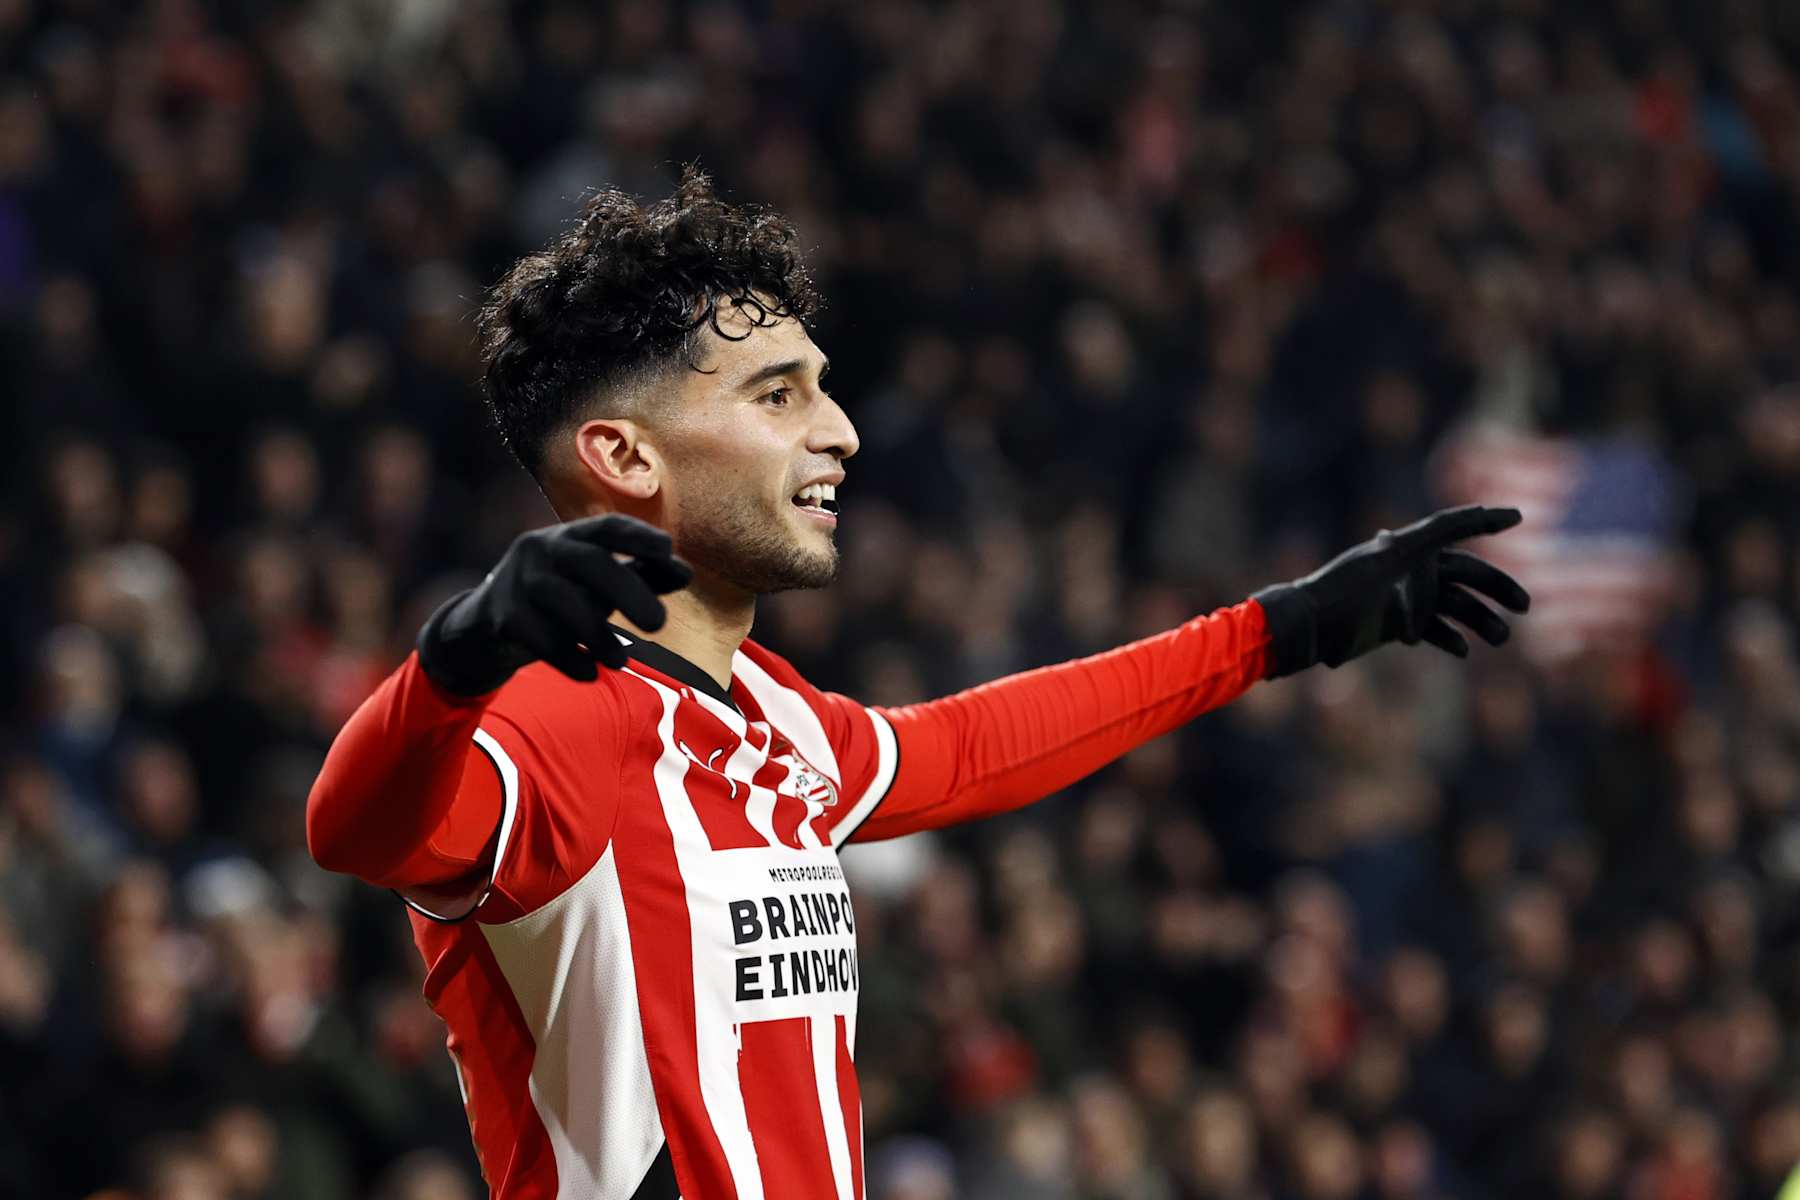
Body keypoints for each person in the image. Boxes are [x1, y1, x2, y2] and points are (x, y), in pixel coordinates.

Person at [305, 170, 1530, 1200]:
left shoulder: (778, 716)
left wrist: (1276, 631)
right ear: (624, 455)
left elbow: (986, 741)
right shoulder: (554, 715)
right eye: (778, 394)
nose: (838, 431)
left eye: (823, 388)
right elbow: (356, 828)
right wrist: (453, 657)